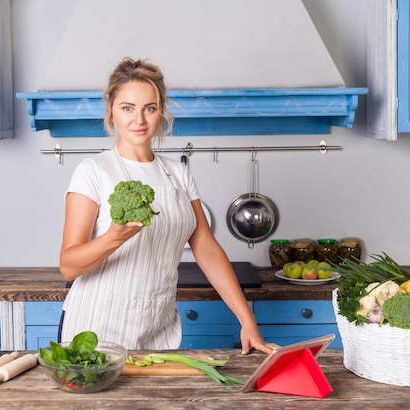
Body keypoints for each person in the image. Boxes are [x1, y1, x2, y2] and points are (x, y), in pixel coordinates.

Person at [59, 57, 278, 355]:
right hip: (98, 325)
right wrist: (113, 237)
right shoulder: (93, 171)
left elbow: (208, 250)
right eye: (127, 108)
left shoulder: (177, 173)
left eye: (149, 108)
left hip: (157, 325)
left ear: (160, 112)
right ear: (111, 112)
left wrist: (247, 320)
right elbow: (68, 266)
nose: (139, 120)